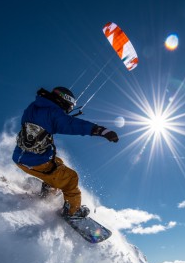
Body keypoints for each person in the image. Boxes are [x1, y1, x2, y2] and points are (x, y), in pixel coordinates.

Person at [13, 86, 119, 218]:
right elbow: (73, 125)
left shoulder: (34, 107)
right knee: (71, 178)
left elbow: (44, 121)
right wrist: (100, 130)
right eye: (69, 107)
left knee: (58, 162)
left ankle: (49, 190)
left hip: (19, 157)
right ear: (65, 101)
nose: (67, 111)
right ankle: (72, 212)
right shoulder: (54, 114)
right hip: (37, 162)